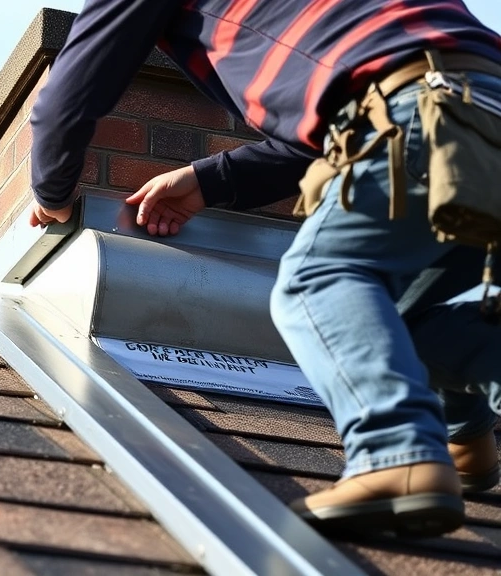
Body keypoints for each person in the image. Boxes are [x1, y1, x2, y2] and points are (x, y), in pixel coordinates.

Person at [28, 0, 501, 537]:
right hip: (469, 107)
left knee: (317, 281)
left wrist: (53, 192)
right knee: (394, 321)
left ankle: (396, 454)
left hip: (422, 108)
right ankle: (466, 437)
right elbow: (337, 116)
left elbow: (75, 86)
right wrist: (209, 180)